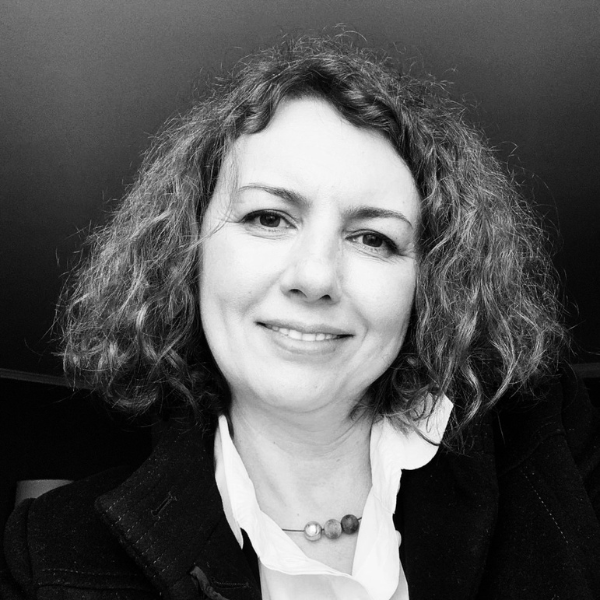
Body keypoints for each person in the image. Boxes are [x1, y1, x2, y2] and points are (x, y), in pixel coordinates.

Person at [2, 33, 599, 600]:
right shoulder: (48, 551)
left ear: (433, 281)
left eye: (373, 238)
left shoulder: (549, 442)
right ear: (186, 249)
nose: (315, 278)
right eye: (268, 218)